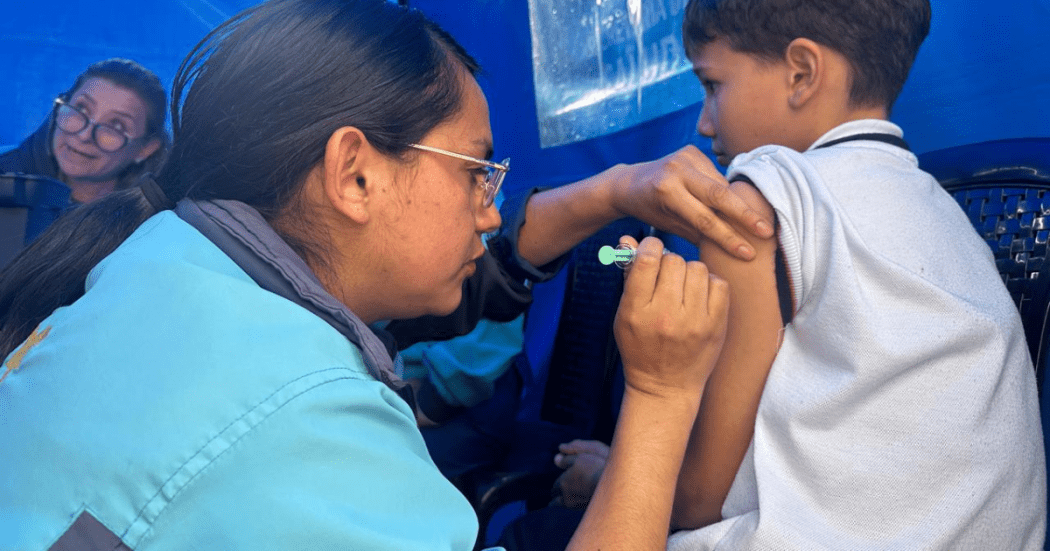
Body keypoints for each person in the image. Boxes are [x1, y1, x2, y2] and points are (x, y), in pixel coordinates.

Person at [0, 1, 748, 549]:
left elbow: (473, 271)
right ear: (354, 174)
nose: (489, 214)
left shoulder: (157, 252)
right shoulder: (317, 424)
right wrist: (662, 392)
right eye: (477, 172)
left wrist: (615, 189)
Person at [666, 0, 1047, 549]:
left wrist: (614, 474)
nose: (703, 121)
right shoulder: (957, 220)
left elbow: (697, 499)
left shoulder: (758, 204)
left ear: (802, 73)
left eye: (711, 84)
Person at [0, 58, 169, 204]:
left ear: (146, 149)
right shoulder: (5, 176)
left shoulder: (156, 225)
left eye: (115, 125)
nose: (84, 135)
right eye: (81, 108)